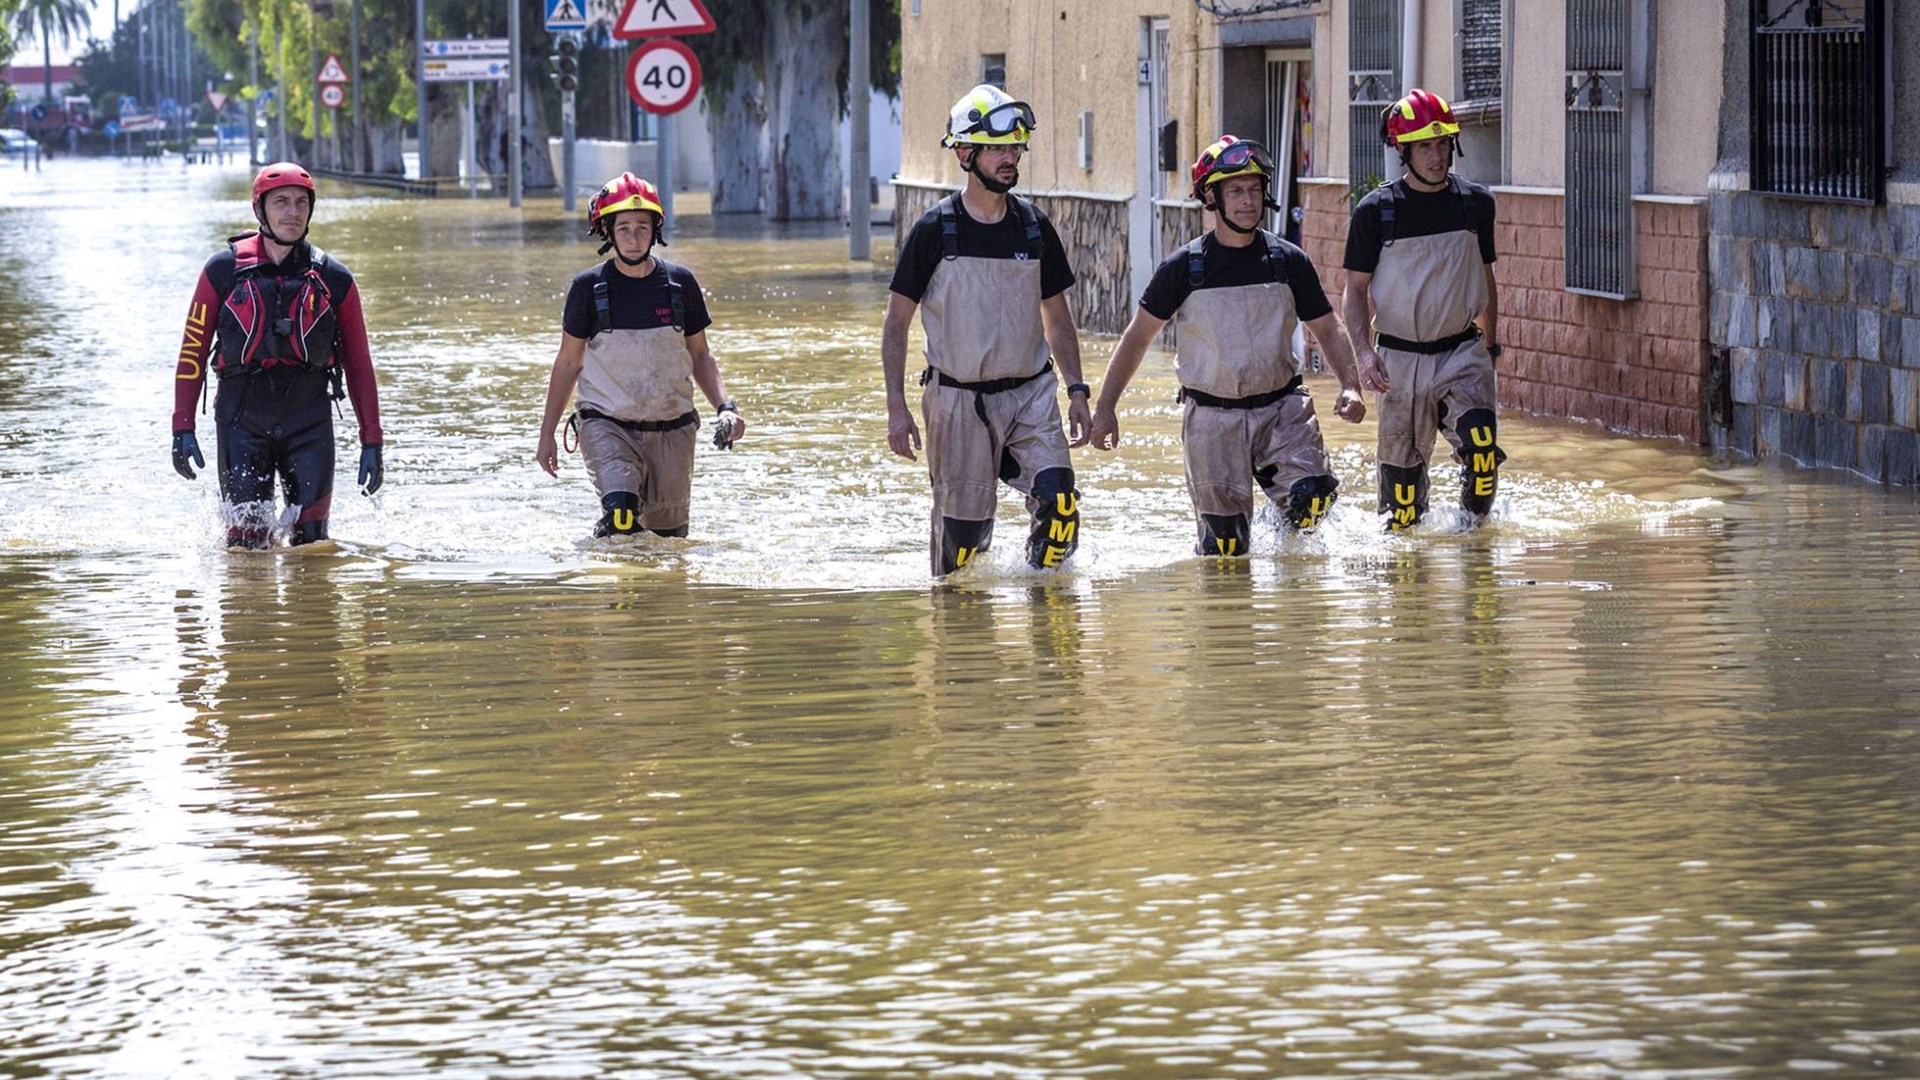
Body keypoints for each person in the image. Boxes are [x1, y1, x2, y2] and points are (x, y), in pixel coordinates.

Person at [1087, 135, 1366, 556]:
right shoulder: (1184, 268)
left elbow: (1327, 326)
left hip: (1283, 411)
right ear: (1211, 198)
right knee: (1225, 550)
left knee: (1314, 500)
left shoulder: (1287, 261)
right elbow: (1138, 338)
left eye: (1254, 189)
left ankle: (1292, 583)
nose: (1248, 200)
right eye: (1235, 190)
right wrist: (1106, 408)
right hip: (1212, 421)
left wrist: (1350, 384)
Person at [883, 84, 1089, 577]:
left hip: (1031, 397)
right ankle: (966, 643)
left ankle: (1048, 620)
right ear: (965, 153)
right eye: (997, 148)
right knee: (962, 552)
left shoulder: (1034, 227)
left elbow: (1058, 319)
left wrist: (1078, 390)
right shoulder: (934, 230)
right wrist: (897, 406)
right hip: (956, 401)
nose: (1010, 157)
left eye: (1015, 147)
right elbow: (896, 324)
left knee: (1060, 507)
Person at [170, 161, 384, 548]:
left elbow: (360, 367)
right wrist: (182, 427)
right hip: (241, 422)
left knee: (314, 545)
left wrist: (373, 441)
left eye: (302, 202)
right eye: (281, 202)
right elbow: (191, 353)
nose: (293, 212)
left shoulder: (335, 280)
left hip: (309, 422)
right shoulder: (221, 272)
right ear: (261, 210)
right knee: (246, 545)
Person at [536, 172, 744, 538]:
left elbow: (700, 356)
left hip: (673, 428)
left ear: (656, 230)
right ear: (608, 232)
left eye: (642, 227)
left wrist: (726, 408)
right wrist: (547, 434)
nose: (634, 238)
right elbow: (568, 363)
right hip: (607, 423)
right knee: (621, 516)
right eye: (624, 228)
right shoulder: (587, 289)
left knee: (667, 541)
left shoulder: (681, 285)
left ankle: (646, 592)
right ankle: (615, 583)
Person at [1342, 89, 1503, 531]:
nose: (1437, 156)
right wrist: (1363, 355)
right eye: (1424, 146)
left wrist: (1491, 346)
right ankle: (1408, 586)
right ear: (1404, 150)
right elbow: (1354, 292)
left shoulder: (1476, 203)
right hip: (1399, 360)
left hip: (1462, 353)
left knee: (1482, 448)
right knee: (1403, 507)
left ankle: (1475, 543)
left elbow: (1485, 277)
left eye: (1443, 144)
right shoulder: (1376, 212)